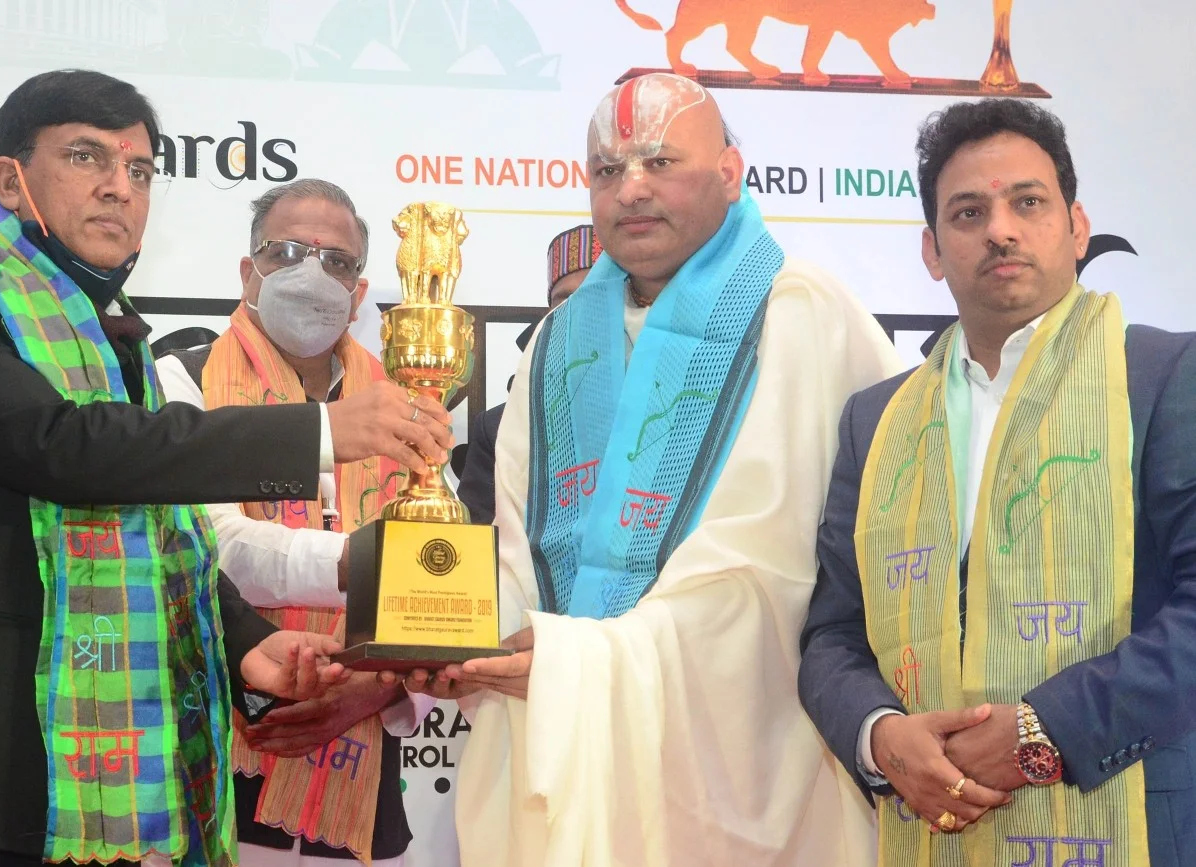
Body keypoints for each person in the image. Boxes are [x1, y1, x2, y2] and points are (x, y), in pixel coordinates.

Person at [0, 69, 451, 867]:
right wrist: (319, 433)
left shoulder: (111, 336)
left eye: (139, 170)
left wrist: (246, 643)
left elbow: (159, 527)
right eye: (86, 157)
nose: (118, 187)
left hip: (107, 792)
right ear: (10, 181)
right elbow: (65, 447)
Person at [393, 71, 901, 865]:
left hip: (750, 757)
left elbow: (768, 568)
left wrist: (572, 661)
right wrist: (478, 642)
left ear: (730, 172)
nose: (630, 189)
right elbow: (521, 547)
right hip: (566, 744)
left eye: (660, 162)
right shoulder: (561, 339)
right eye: (607, 170)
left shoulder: (802, 312)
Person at [798, 98, 1196, 866]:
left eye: (1028, 202)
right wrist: (882, 736)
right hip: (932, 829)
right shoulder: (876, 422)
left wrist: (1046, 731)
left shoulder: (1163, 376)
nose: (1001, 230)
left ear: (1077, 227)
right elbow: (833, 633)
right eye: (969, 212)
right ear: (932, 249)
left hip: (1140, 824)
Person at [158, 179, 431, 867]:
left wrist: (374, 686)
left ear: (358, 295)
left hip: (364, 779)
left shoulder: (402, 405)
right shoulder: (182, 381)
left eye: (335, 261)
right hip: (222, 744)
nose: (310, 274)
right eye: (285, 253)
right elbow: (208, 547)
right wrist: (362, 562)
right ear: (247, 272)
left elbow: (444, 578)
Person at [456, 224, 600, 523]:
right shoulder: (499, 427)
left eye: (596, 296)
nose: (578, 312)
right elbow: (482, 541)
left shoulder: (677, 415)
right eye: (564, 301)